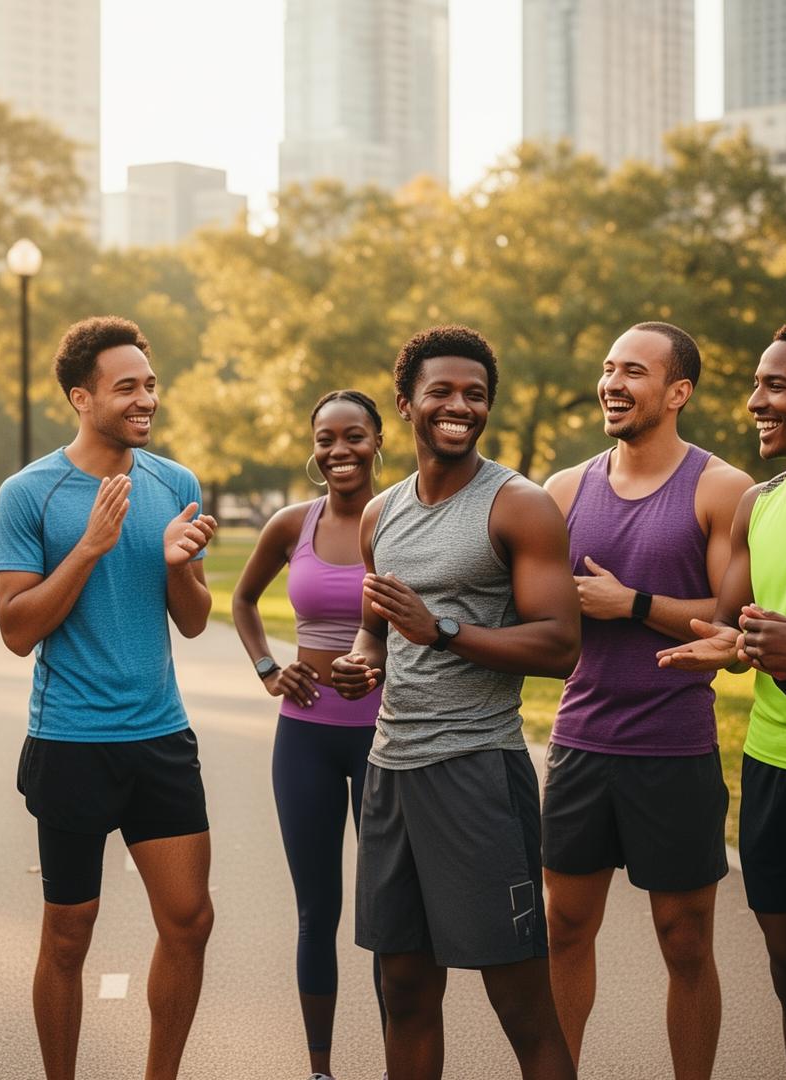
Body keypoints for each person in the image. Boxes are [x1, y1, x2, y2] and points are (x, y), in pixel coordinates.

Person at [331, 325, 581, 1080]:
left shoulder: (519, 506)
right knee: (403, 988)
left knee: (521, 1003)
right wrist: (361, 663)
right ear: (405, 404)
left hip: (476, 770)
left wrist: (441, 630)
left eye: (475, 395)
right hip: (391, 773)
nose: (460, 406)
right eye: (442, 391)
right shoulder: (381, 515)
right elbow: (376, 632)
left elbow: (559, 646)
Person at [0, 316, 219, 1080]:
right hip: (71, 742)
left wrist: (182, 566)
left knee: (189, 922)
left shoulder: (175, 483)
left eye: (150, 385)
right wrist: (88, 547)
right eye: (128, 388)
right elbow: (17, 630)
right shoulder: (31, 493)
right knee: (68, 936)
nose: (146, 399)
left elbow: (191, 623)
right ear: (81, 398)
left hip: (160, 736)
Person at [657, 320, 786, 1080]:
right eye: (756, 383)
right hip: (770, 768)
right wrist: (722, 643)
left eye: (776, 386)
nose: (755, 401)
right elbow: (730, 621)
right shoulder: (758, 502)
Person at [537, 323, 751, 1077]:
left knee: (687, 941)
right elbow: (533, 612)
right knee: (563, 929)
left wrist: (630, 604)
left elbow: (723, 625)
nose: (613, 384)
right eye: (607, 369)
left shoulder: (722, 489)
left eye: (634, 370)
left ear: (678, 392)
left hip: (675, 746)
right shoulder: (563, 490)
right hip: (582, 742)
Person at [231, 389, 389, 1080]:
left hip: (389, 738)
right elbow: (240, 598)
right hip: (305, 738)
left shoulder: (404, 518)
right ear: (314, 447)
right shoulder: (292, 522)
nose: (339, 450)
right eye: (326, 438)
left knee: (389, 916)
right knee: (316, 907)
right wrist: (268, 667)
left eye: (353, 436)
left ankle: (399, 1066)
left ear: (379, 441)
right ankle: (320, 1069)